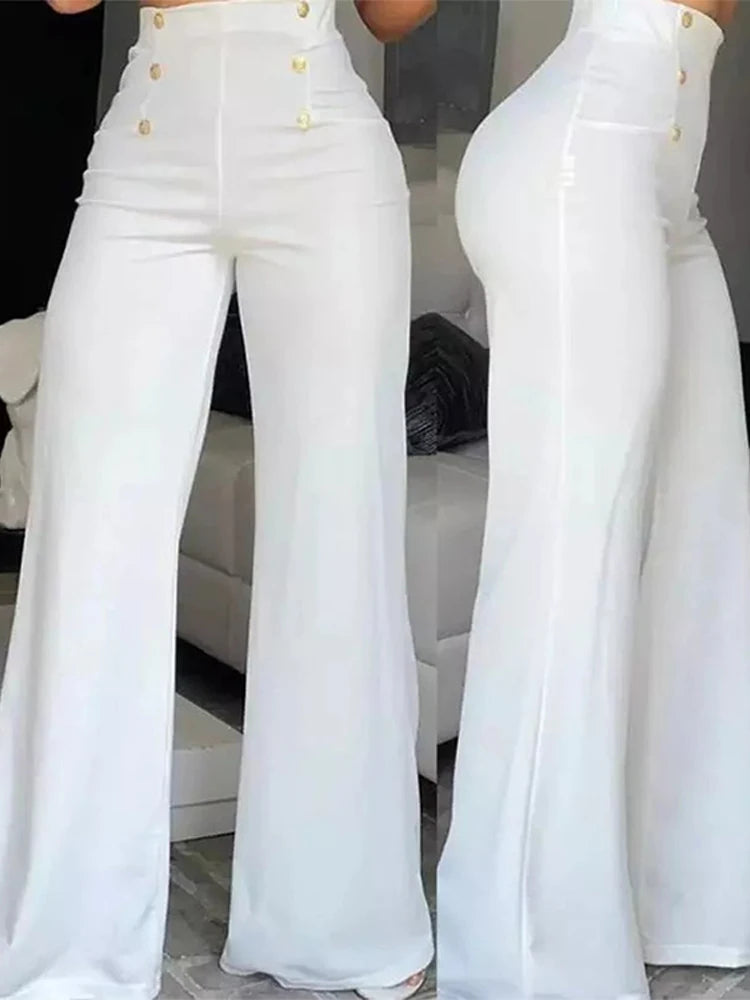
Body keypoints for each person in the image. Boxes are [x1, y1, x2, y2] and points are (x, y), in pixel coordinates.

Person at [0, 0, 434, 998]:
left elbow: (396, 17)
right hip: (150, 141)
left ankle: (341, 918)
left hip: (321, 137)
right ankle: (68, 940)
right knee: (90, 535)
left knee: (337, 530)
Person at [439, 0, 750, 997]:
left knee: (705, 524)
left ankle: (674, 892)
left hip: (663, 166)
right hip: (585, 148)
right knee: (572, 556)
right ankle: (530, 957)